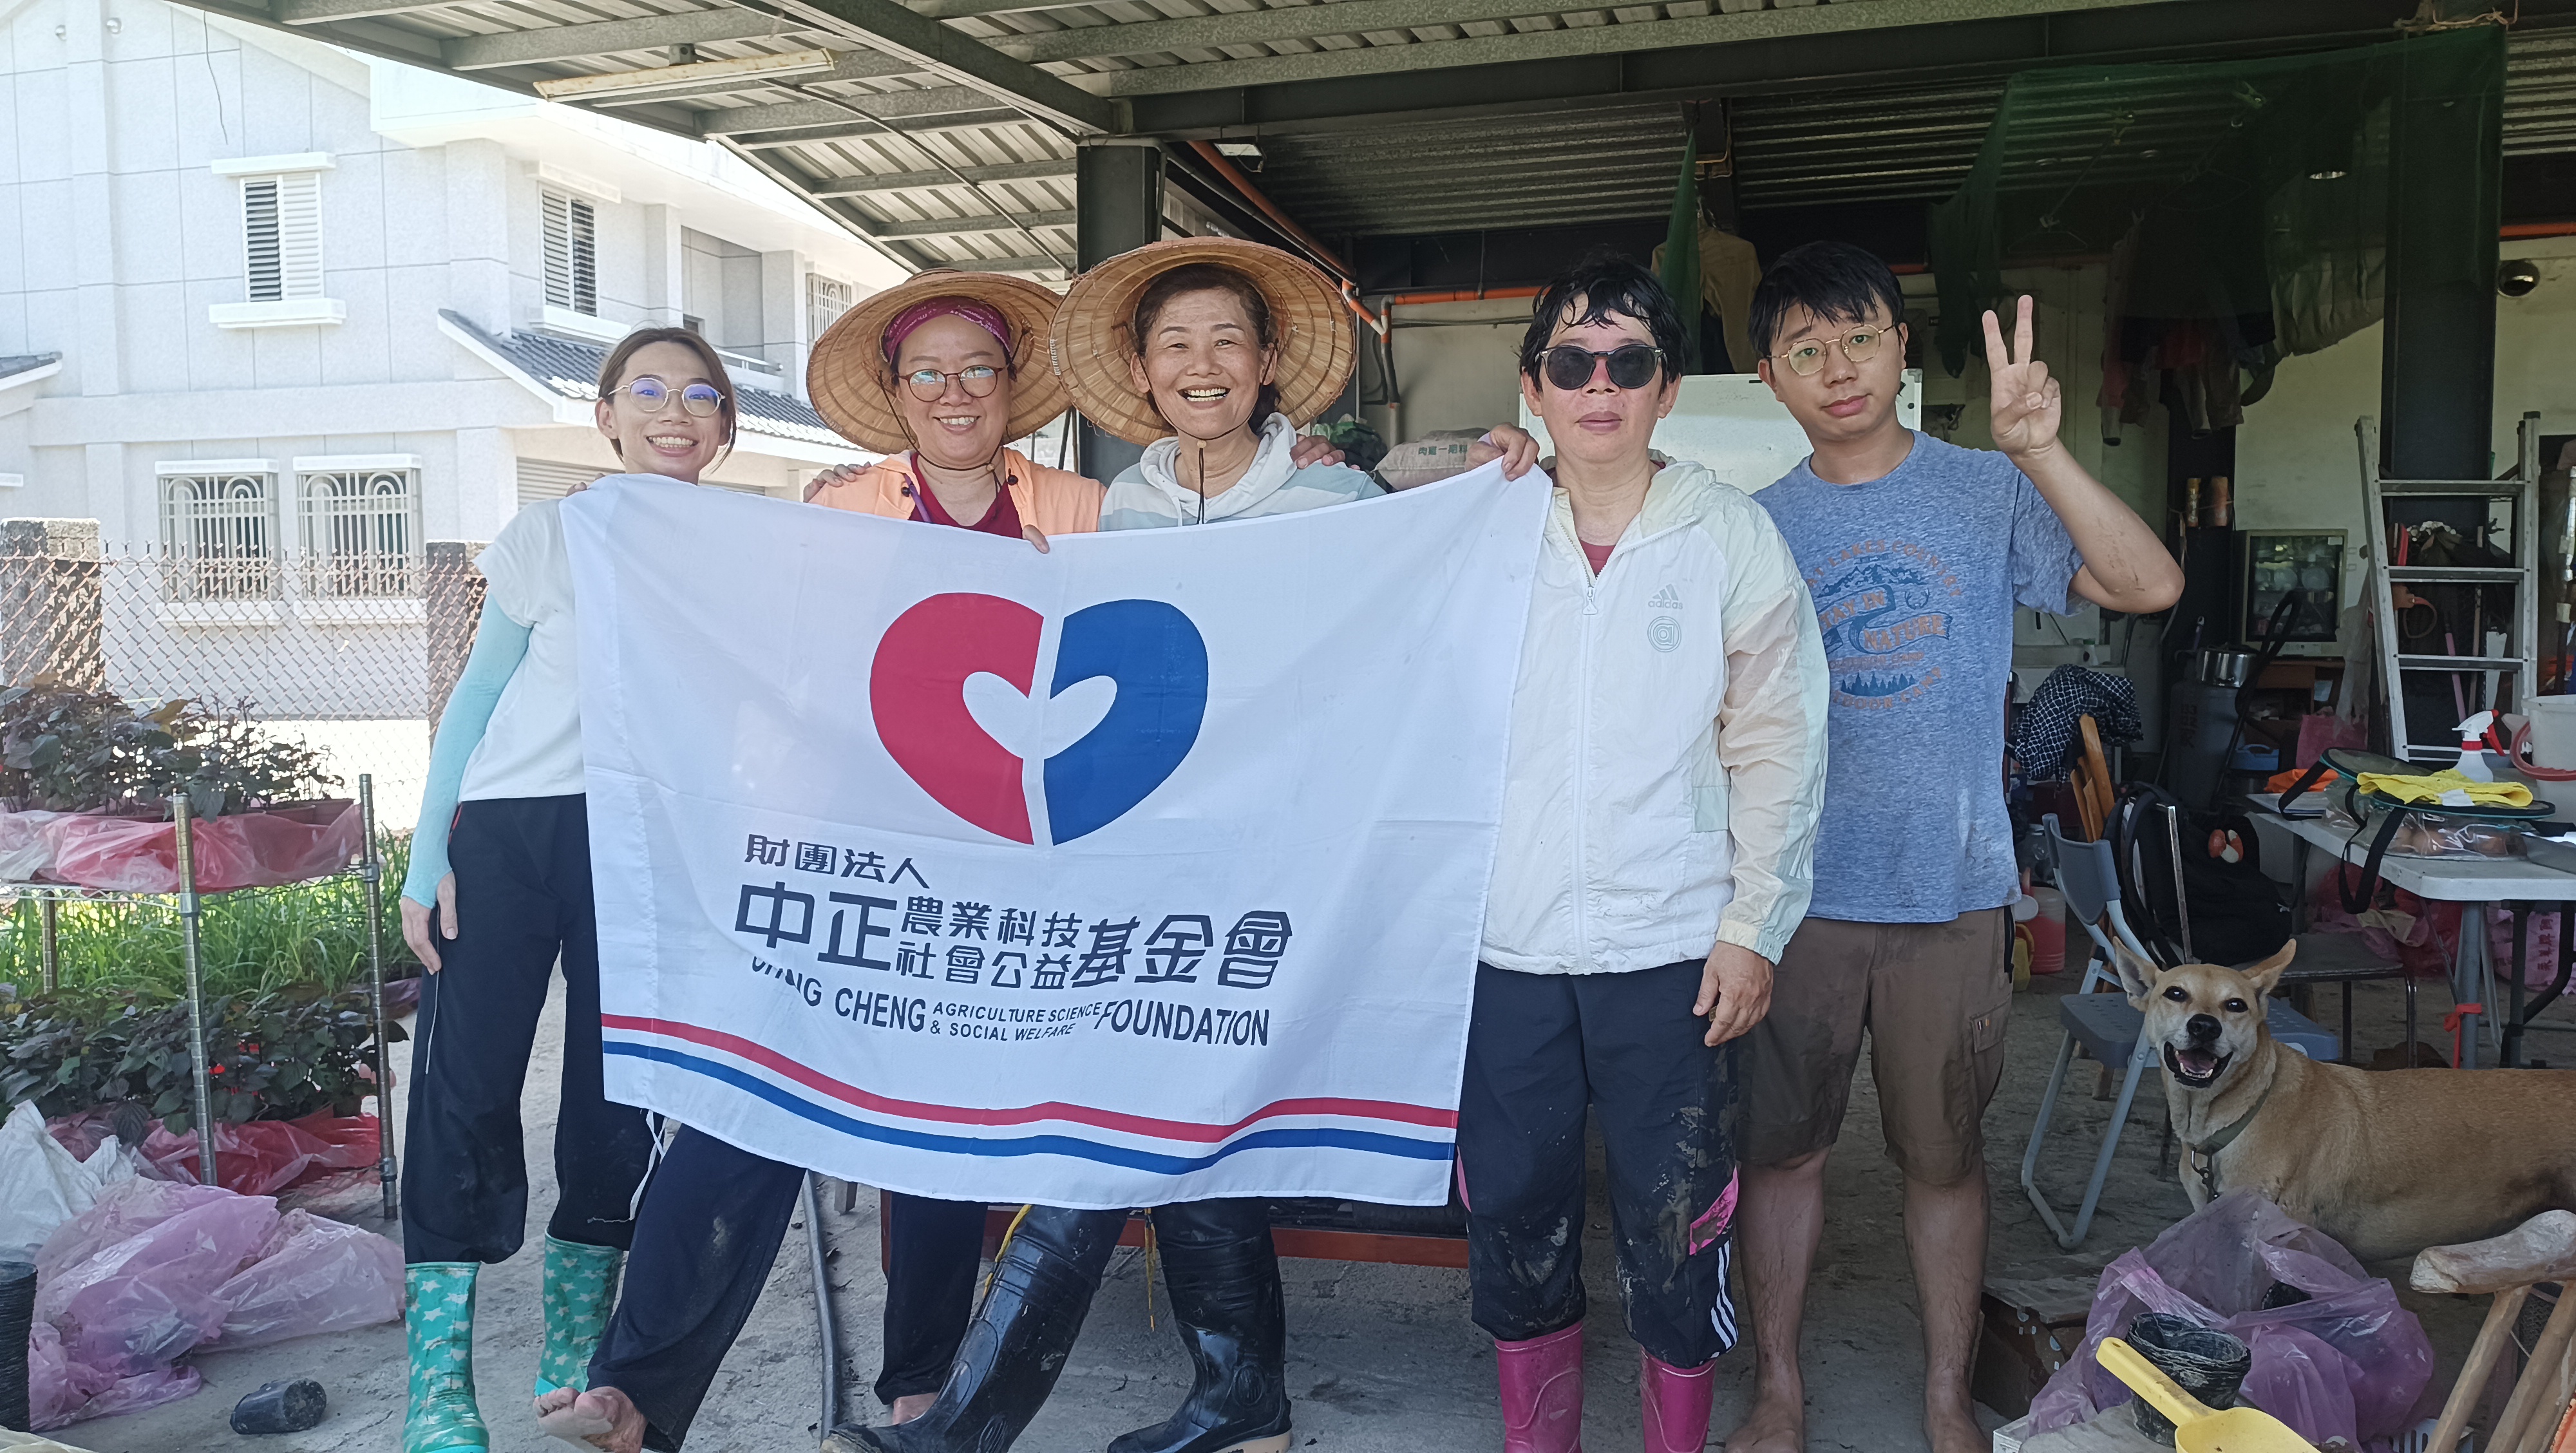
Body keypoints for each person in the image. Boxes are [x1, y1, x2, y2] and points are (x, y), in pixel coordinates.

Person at [825, 236, 1535, 1453]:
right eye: (1174, 345)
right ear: (1143, 373)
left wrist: (1504, 475)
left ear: (1268, 362)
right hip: (1158, 874)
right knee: (1185, 1120)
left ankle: (969, 1427)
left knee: (1126, 1126)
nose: (1202, 365)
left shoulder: (1339, 499)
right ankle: (1240, 1400)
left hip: (1295, 871)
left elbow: (1421, 633)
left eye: (1226, 341)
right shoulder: (1124, 511)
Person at [1729, 242, 2182, 1453]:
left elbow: (2147, 585)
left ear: (1901, 349)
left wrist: (2042, 452)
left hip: (1951, 892)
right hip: (1791, 902)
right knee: (1781, 1156)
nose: (1839, 370)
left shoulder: (1986, 489)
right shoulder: (1752, 525)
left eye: (1860, 340)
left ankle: (1943, 1396)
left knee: (1942, 1160)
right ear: (1769, 376)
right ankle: (1779, 1391)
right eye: (1807, 350)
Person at [1463, 254, 1828, 1453]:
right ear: (1534, 385)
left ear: (1668, 390)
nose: (1600, 386)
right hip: (1505, 945)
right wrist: (1442, 465)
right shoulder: (1482, 528)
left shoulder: (1731, 537)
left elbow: (1778, 742)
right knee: (1513, 1211)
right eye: (1573, 362)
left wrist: (1753, 928)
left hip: (1673, 947)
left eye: (1629, 363)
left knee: (1680, 1222)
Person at [395, 328, 734, 1453]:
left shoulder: (748, 552)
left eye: (699, 394)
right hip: (507, 835)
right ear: (606, 416)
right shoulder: (551, 535)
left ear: (726, 427)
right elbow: (478, 694)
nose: (674, 411)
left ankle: (575, 1352)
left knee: (613, 1092)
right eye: (648, 390)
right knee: (465, 1089)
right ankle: (437, 1386)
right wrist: (427, 855)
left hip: (645, 841)